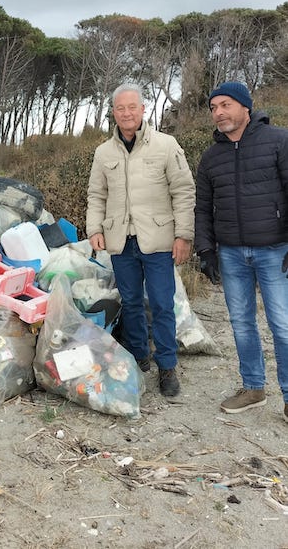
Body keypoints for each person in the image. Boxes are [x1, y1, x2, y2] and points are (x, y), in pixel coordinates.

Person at [86, 83, 195, 397]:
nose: (126, 113)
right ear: (114, 113)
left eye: (132, 107)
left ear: (143, 110)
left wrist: (183, 235)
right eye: (120, 108)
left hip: (159, 240)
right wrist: (95, 229)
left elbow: (183, 192)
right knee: (131, 304)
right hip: (121, 241)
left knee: (162, 305)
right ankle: (138, 357)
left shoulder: (166, 145)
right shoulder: (104, 152)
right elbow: (97, 194)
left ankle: (167, 366)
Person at [195, 81, 288, 421]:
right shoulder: (211, 156)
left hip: (275, 250)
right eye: (214, 107)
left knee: (283, 325)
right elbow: (202, 208)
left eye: (225, 105)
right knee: (241, 324)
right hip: (231, 253)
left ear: (245, 107)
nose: (219, 112)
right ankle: (253, 388)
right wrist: (206, 250)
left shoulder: (279, 141)